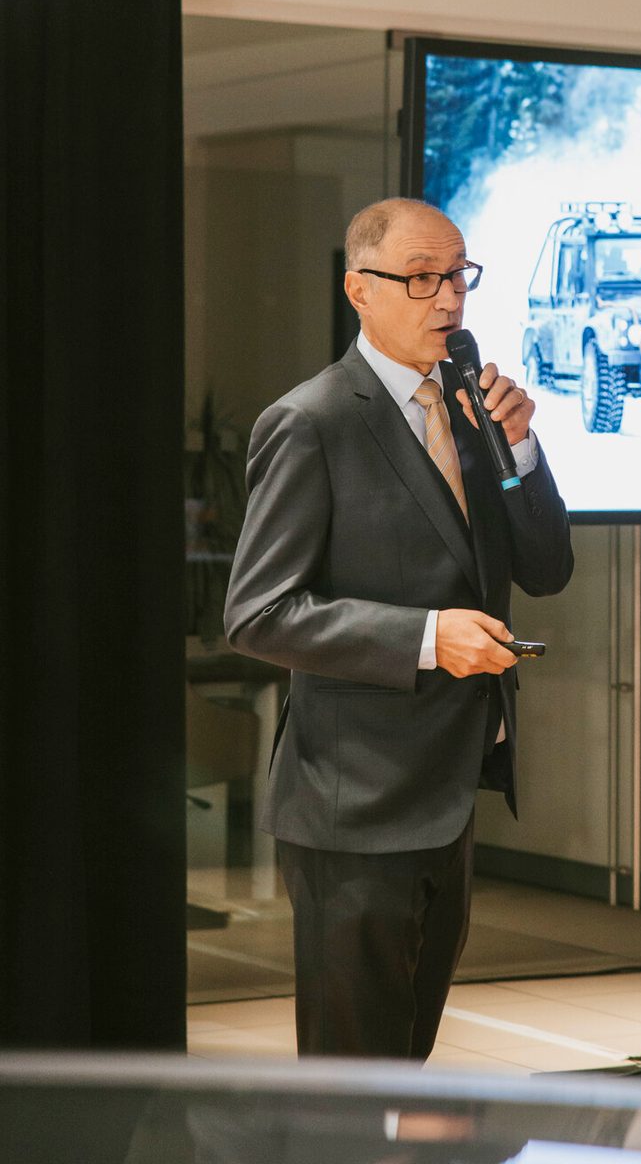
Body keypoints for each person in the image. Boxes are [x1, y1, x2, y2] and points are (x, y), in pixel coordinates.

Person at [224, 197, 573, 1060]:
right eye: (422, 277)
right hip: (356, 801)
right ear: (360, 290)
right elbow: (259, 612)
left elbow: (547, 569)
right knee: (352, 1083)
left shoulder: (471, 409)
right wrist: (427, 636)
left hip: (449, 790)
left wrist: (522, 451)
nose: (448, 298)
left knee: (406, 1064)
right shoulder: (312, 421)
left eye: (458, 275)